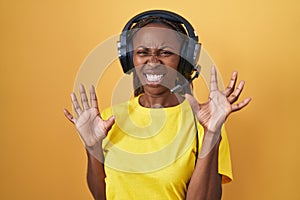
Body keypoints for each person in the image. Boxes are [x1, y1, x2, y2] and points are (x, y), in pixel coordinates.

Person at [63, 10, 251, 200]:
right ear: (129, 59)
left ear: (184, 61)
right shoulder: (109, 119)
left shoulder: (205, 124)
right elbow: (101, 196)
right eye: (143, 52)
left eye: (166, 52)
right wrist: (93, 147)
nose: (153, 62)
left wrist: (212, 134)